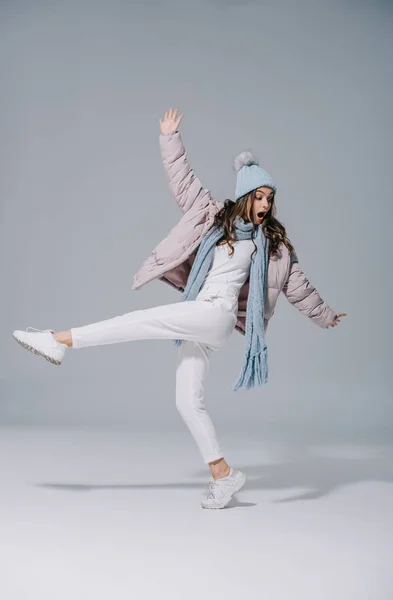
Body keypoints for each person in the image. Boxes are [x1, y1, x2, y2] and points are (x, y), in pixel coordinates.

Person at [12, 108, 346, 510]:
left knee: (139, 321)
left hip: (217, 317)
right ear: (244, 197)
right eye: (259, 197)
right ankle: (224, 475)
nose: (265, 205)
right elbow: (182, 180)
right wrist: (170, 138)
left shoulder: (272, 246)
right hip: (198, 315)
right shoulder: (210, 218)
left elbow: (297, 285)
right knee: (187, 401)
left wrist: (324, 315)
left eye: (270, 199)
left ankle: (59, 340)